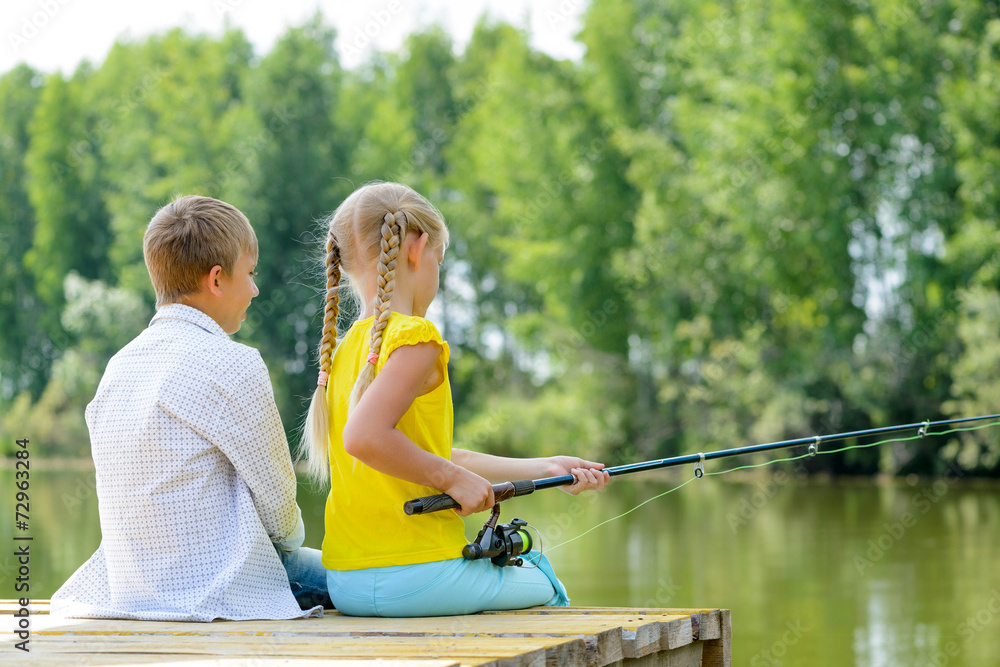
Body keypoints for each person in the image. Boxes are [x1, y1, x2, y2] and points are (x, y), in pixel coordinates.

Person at [299, 182, 610, 617]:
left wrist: (548, 468)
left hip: (347, 582)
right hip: (419, 577)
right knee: (543, 575)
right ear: (417, 247)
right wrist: (450, 479)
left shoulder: (343, 349)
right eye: (439, 261)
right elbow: (365, 436)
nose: (438, 276)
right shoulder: (416, 338)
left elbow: (435, 456)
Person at [51, 195, 331, 621]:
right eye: (250, 274)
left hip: (131, 589)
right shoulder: (234, 364)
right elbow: (279, 507)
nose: (255, 289)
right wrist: (288, 548)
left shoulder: (117, 368)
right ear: (216, 279)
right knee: (367, 576)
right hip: (218, 586)